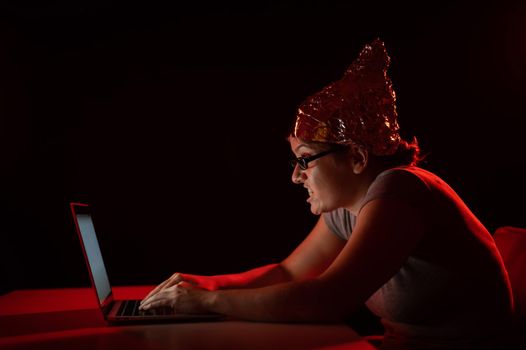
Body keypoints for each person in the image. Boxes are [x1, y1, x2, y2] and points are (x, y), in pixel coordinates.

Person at [139, 39, 514, 349]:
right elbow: (287, 272)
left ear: (356, 157)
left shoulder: (399, 188)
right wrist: (200, 284)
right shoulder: (349, 207)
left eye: (306, 160)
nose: (297, 177)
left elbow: (327, 299)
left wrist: (209, 301)